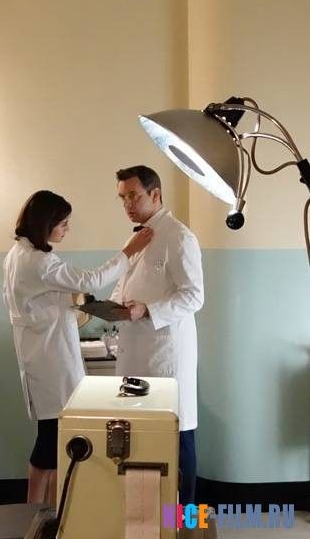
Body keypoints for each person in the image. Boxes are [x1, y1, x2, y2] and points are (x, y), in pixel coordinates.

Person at [2, 190, 153, 505]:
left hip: (41, 354)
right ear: (46, 223)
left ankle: (51, 511)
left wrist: (73, 301)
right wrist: (129, 251)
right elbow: (92, 280)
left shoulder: (19, 253)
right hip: (50, 359)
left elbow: (47, 297)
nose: (67, 229)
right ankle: (37, 513)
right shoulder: (39, 261)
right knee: (50, 443)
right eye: (63, 223)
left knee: (56, 440)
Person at [110, 165, 204, 504]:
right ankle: (149, 516)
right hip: (135, 353)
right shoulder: (136, 238)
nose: (127, 204)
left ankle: (186, 517)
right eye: (123, 198)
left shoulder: (179, 237)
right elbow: (124, 287)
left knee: (177, 438)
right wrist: (110, 306)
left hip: (165, 357)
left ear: (155, 194)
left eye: (134, 196)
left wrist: (147, 309)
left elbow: (194, 296)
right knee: (143, 439)